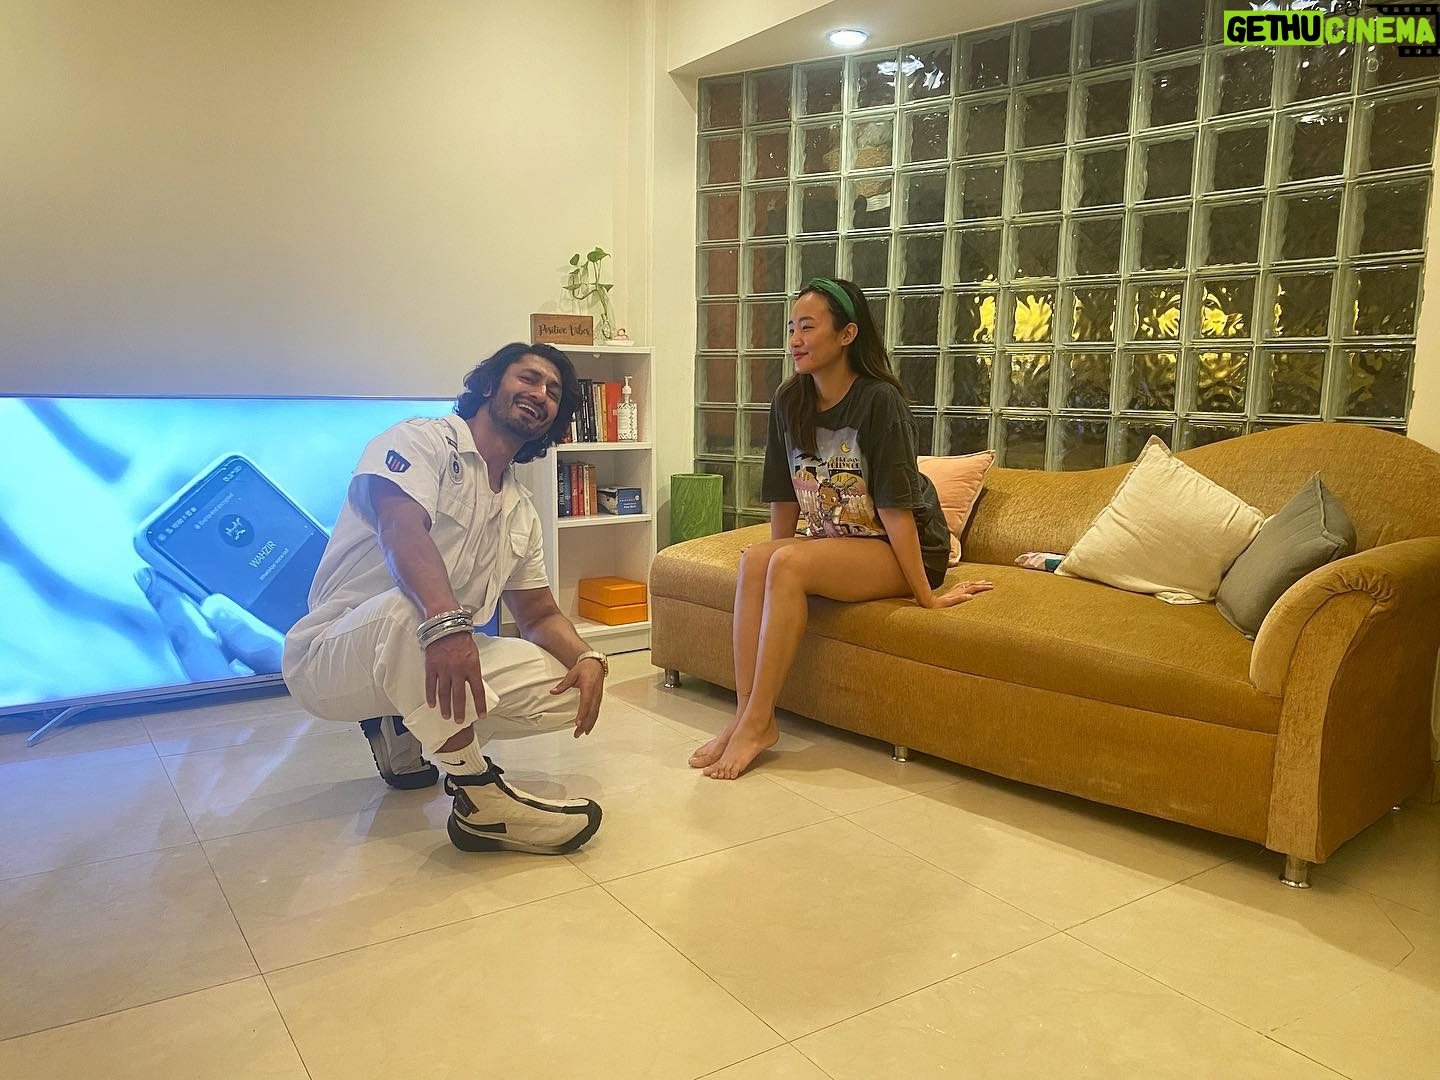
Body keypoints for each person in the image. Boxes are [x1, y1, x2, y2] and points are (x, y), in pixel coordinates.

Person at [283, 342, 609, 855]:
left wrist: (587, 658)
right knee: (410, 610)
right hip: (333, 654)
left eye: (553, 392)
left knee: (566, 687)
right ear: (488, 384)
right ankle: (479, 797)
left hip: (428, 648)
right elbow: (400, 528)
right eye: (528, 378)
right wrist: (446, 622)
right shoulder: (421, 441)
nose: (540, 394)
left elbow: (539, 613)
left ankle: (406, 726)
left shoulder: (520, 509)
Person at [688, 278, 993, 780]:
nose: (795, 340)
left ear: (847, 334)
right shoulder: (790, 400)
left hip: (900, 544)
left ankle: (759, 722)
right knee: (756, 559)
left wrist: (927, 596)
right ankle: (744, 717)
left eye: (808, 328)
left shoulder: (879, 401)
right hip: (842, 540)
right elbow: (784, 494)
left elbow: (896, 508)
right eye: (792, 328)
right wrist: (770, 566)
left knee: (788, 563)